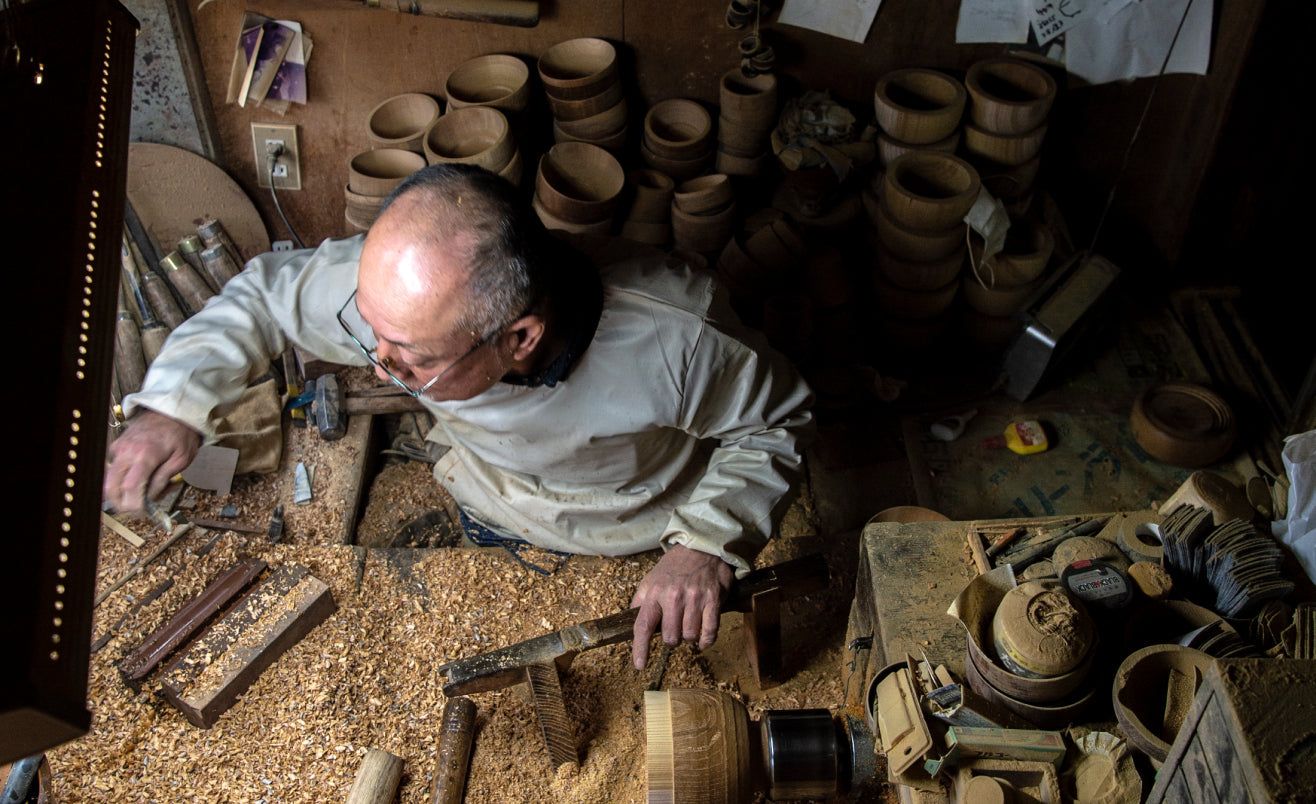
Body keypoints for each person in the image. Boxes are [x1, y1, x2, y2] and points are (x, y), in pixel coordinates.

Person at [104, 163, 814, 669]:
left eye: (411, 358)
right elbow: (263, 295)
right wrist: (172, 404)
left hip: (632, 526)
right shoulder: (404, 292)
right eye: (369, 333)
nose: (380, 367)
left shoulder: (678, 340)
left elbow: (776, 424)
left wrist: (705, 544)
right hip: (487, 494)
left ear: (521, 338)